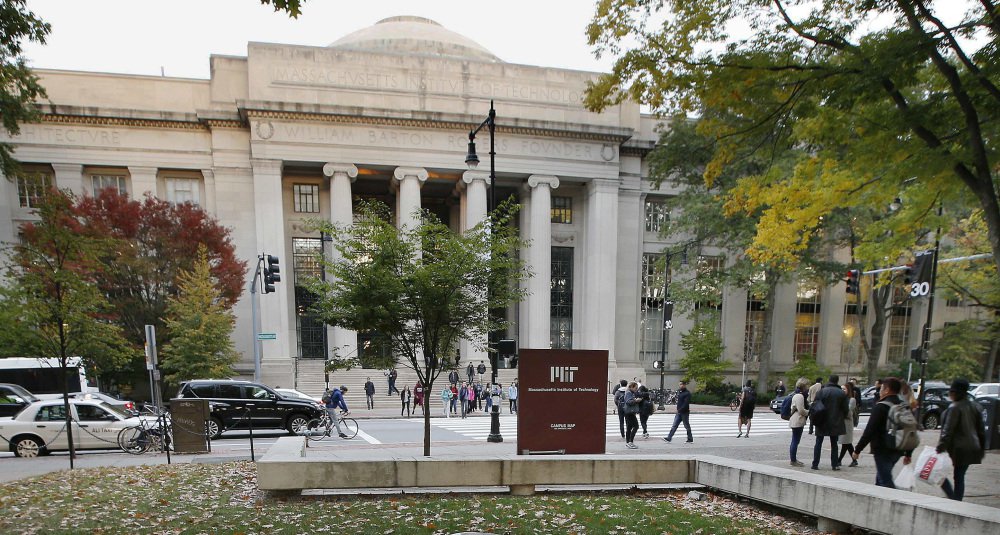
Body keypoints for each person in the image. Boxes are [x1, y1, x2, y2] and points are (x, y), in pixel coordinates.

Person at [853, 377, 914, 487]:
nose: (880, 391)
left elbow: (870, 430)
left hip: (882, 448)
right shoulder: (904, 406)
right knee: (881, 478)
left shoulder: (881, 406)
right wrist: (909, 453)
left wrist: (857, 450)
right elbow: (909, 428)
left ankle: (897, 502)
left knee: (886, 481)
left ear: (887, 390)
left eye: (881, 388)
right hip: (899, 447)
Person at [937, 378, 986, 501]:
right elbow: (981, 431)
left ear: (954, 392)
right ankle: (956, 499)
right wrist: (982, 448)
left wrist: (940, 447)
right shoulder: (975, 406)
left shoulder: (954, 407)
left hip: (959, 448)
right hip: (972, 447)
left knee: (943, 474)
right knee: (959, 476)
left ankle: (955, 500)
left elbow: (948, 430)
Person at [812, 375, 849, 471]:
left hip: (821, 420)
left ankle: (815, 463)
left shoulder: (821, 391)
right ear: (837, 381)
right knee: (834, 444)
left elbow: (815, 406)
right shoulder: (841, 393)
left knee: (818, 443)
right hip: (835, 421)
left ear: (829, 380)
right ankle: (834, 464)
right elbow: (846, 409)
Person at [788, 377, 809, 466]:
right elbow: (801, 410)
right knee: (795, 441)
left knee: (795, 440)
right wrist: (809, 412)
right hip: (797, 419)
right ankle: (793, 460)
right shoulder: (799, 396)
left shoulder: (797, 394)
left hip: (796, 419)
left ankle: (793, 459)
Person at [837, 382, 859, 467]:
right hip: (842, 423)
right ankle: (854, 460)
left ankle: (839, 460)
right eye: (841, 389)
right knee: (847, 443)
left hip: (847, 423)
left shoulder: (851, 399)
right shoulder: (841, 399)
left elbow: (848, 411)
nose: (842, 390)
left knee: (846, 442)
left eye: (844, 389)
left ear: (848, 390)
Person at [623, 381, 641, 449]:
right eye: (635, 388)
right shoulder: (629, 393)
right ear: (631, 387)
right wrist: (636, 401)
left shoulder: (630, 393)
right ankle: (630, 442)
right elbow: (628, 402)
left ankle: (628, 442)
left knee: (629, 428)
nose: (636, 389)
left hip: (629, 412)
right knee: (636, 426)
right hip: (630, 413)